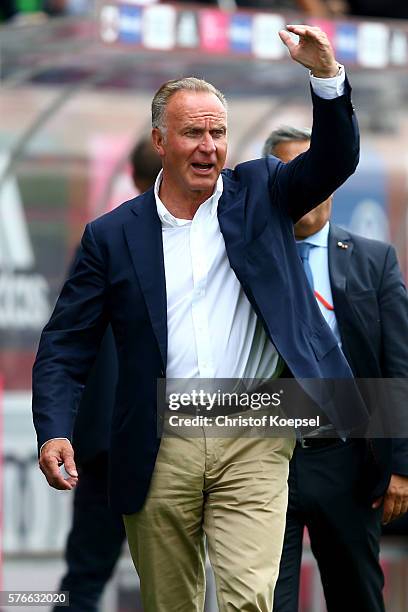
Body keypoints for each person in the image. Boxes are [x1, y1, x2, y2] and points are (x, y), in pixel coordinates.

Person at [33, 25, 363, 611]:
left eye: (218, 132)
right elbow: (65, 344)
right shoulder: (111, 237)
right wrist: (55, 428)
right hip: (160, 441)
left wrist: (326, 76)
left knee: (247, 599)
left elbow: (334, 159)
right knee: (171, 602)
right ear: (160, 140)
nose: (209, 145)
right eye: (193, 133)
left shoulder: (262, 191)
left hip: (255, 431)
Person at [262, 126, 408, 612]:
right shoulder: (247, 260)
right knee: (262, 600)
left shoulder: (373, 260)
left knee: (358, 598)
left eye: (316, 172)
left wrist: (400, 468)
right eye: (293, 174)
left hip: (346, 462)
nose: (308, 185)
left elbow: (397, 368)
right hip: (264, 459)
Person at [53, 136, 162, 612]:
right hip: (160, 439)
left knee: (85, 575)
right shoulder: (121, 240)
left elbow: (70, 341)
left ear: (132, 176)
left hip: (104, 443)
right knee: (178, 576)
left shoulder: (100, 238)